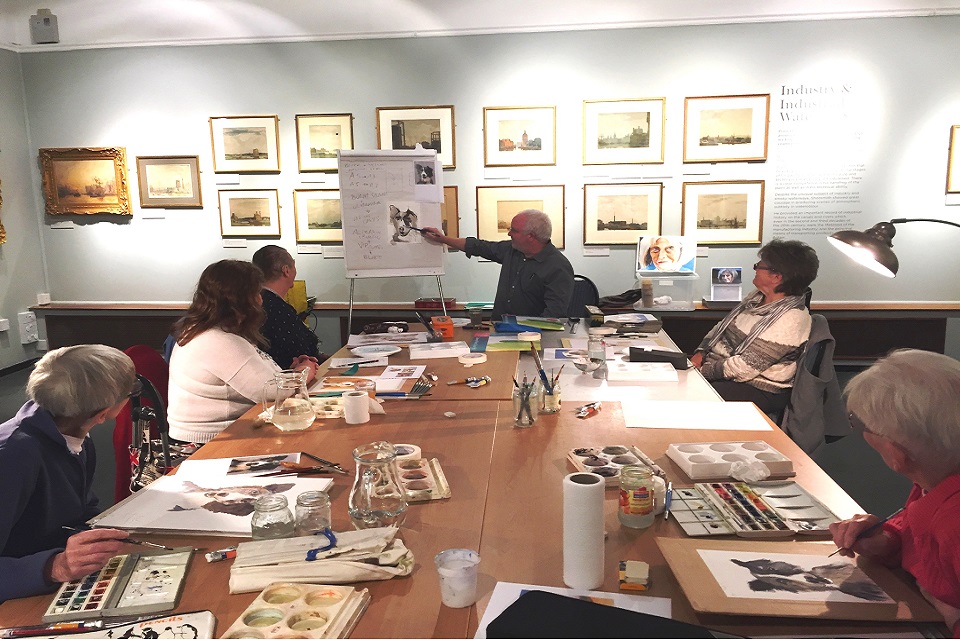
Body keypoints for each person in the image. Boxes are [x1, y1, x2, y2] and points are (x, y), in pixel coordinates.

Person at [829, 349, 960, 634]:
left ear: (895, 454)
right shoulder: (935, 482)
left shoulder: (954, 521)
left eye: (859, 423)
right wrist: (890, 539)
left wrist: (950, 617)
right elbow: (918, 532)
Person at [0, 345, 137, 602]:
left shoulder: (74, 436)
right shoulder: (12, 456)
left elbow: (79, 509)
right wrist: (54, 565)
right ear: (103, 415)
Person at [167, 260, 319, 444]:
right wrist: (304, 371)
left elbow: (261, 378)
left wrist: (290, 372)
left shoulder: (214, 332)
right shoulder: (217, 340)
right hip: (211, 444)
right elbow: (271, 391)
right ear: (241, 300)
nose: (261, 300)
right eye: (256, 293)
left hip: (229, 434)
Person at [690, 239, 818, 415]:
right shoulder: (756, 297)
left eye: (760, 265)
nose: (756, 268)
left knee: (690, 399)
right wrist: (700, 352)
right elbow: (722, 328)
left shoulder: (792, 318)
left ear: (776, 276)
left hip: (759, 386)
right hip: (722, 371)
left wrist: (700, 372)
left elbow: (744, 368)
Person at [422, 209, 574, 319]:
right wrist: (443, 239)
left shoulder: (558, 267)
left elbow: (554, 315)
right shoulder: (512, 250)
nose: (509, 234)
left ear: (531, 237)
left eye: (514, 230)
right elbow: (479, 246)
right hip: (500, 331)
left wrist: (528, 334)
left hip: (531, 339)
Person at [251, 245, 327, 369]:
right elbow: (299, 349)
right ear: (286, 270)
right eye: (294, 265)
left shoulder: (256, 302)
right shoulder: (278, 309)